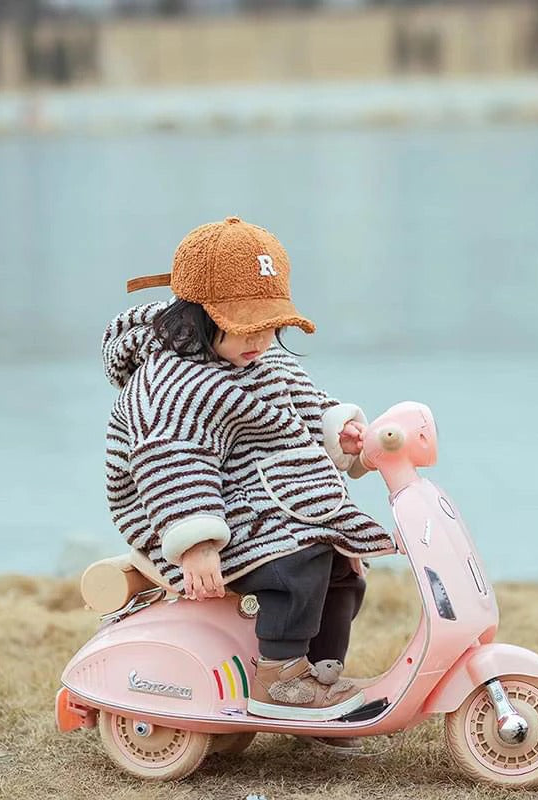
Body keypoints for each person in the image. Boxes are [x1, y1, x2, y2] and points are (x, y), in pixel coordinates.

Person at [102, 216, 395, 729]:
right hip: (179, 510)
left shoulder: (255, 357)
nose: (260, 339)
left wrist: (338, 430)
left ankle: (318, 677)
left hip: (254, 492)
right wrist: (195, 541)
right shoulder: (170, 384)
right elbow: (172, 459)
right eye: (245, 326)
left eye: (270, 325)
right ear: (196, 315)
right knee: (294, 560)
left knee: (343, 562)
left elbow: (298, 399)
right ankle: (279, 678)